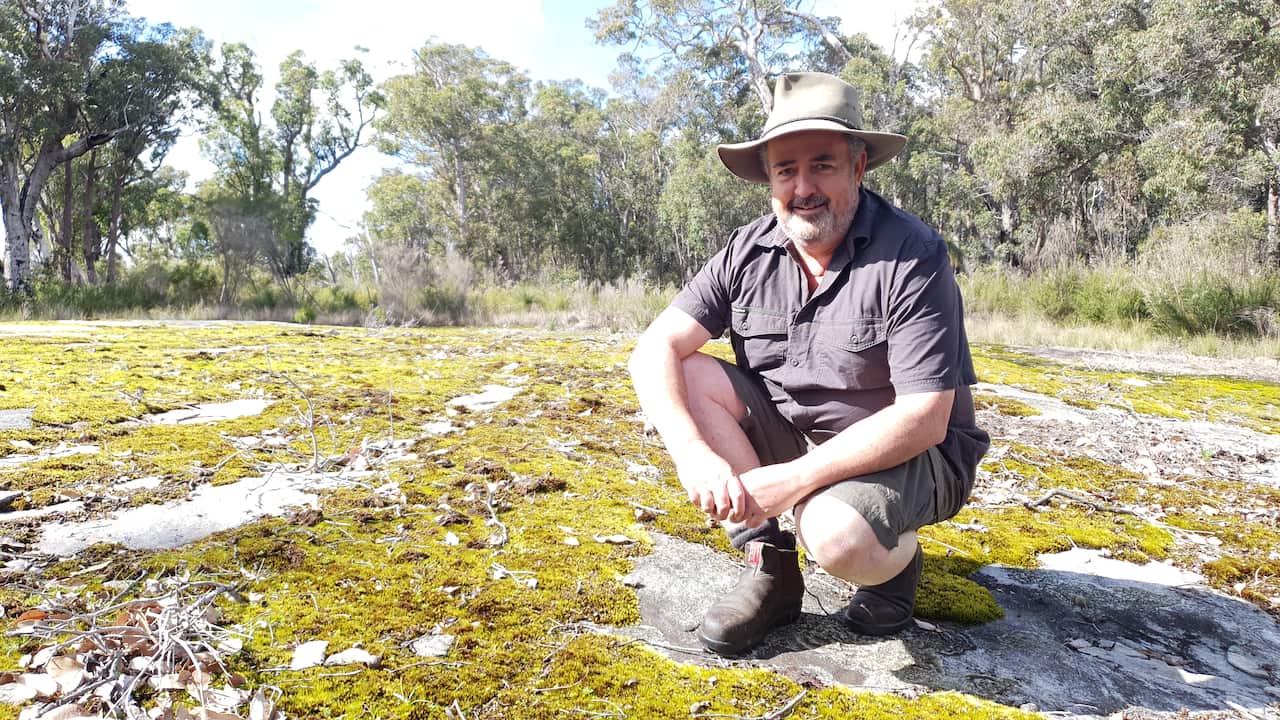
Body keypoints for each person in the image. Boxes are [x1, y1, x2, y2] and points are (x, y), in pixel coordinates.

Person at [628, 72, 990, 656]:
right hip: (796, 434)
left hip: (911, 454)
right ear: (769, 179)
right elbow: (653, 350)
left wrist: (792, 482)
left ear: (858, 167)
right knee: (689, 373)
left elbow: (925, 417)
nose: (803, 187)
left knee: (833, 532)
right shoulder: (747, 251)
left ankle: (894, 565)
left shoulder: (912, 255)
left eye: (822, 165)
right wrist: (693, 454)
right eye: (785, 170)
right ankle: (771, 571)